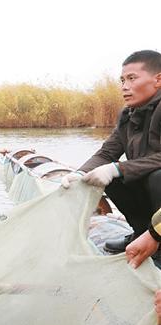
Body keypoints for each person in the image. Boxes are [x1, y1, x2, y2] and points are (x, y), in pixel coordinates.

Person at [62, 50, 161, 253]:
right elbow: (107, 153)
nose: (125, 87)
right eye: (122, 80)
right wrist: (79, 174)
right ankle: (141, 232)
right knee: (110, 176)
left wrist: (119, 168)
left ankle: (157, 241)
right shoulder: (128, 115)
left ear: (158, 80)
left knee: (156, 177)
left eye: (132, 79)